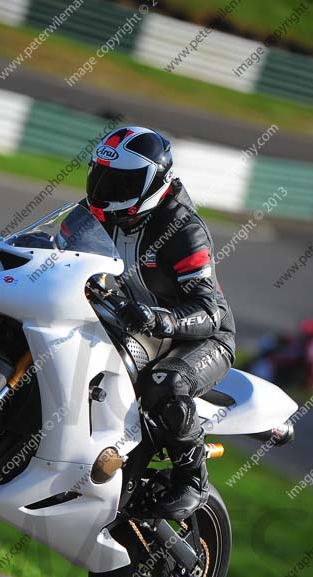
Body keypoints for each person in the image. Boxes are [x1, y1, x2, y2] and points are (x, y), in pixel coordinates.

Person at [84, 125, 236, 520]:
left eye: (120, 181)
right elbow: (55, 245)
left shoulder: (182, 231)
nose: (106, 188)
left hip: (201, 337)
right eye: (101, 174)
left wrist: (161, 319)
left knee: (164, 383)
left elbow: (209, 310)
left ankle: (192, 480)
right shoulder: (98, 214)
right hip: (136, 322)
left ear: (153, 183)